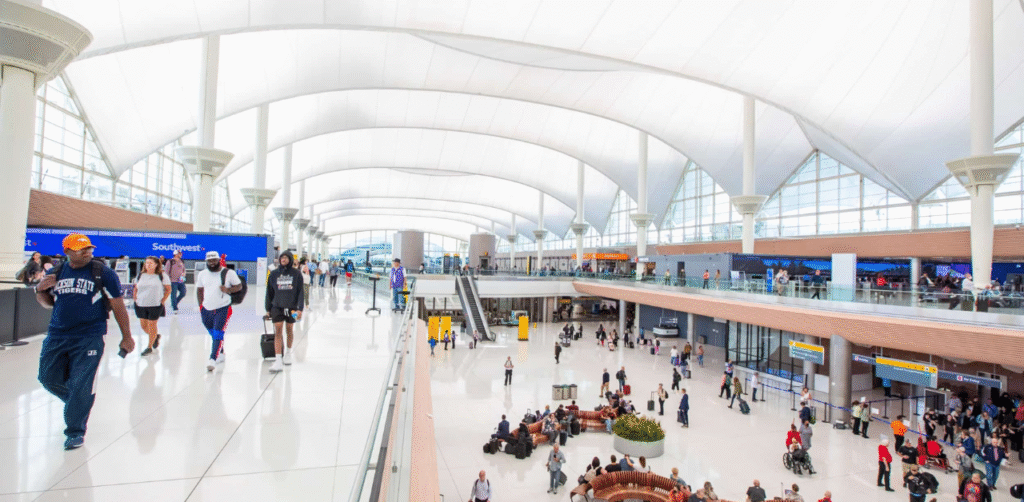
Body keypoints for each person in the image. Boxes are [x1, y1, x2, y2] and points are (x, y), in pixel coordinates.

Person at [34, 234, 134, 450]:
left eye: (89, 248)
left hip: (90, 336)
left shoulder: (103, 273)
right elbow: (46, 303)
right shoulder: (58, 271)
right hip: (57, 334)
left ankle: (75, 432)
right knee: (47, 377)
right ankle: (77, 402)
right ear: (67, 252)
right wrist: (40, 289)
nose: (87, 252)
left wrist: (127, 336)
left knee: (81, 383)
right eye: (81, 249)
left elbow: (118, 305)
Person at [196, 251, 242, 371]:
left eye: (214, 260)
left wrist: (228, 290)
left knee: (218, 332)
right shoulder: (202, 274)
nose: (212, 263)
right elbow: (199, 290)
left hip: (223, 307)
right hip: (206, 308)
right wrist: (200, 306)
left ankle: (212, 359)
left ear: (218, 260)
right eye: (209, 261)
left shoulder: (228, 273)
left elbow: (239, 286)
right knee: (212, 332)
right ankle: (220, 351)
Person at [265, 251, 304, 373]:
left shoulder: (296, 274)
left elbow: (300, 292)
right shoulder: (274, 274)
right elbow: (269, 292)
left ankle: (288, 353)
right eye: (282, 257)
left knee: (289, 330)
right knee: (278, 331)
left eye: (286, 257)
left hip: (291, 308)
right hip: (277, 307)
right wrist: (268, 309)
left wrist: (299, 309)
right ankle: (278, 360)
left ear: (290, 260)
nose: (284, 259)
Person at [132, 256, 170, 356]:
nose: (148, 265)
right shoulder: (141, 275)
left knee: (152, 325)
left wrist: (162, 301)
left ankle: (149, 347)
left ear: (156, 265)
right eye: (147, 263)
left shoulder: (161, 275)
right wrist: (135, 298)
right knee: (144, 326)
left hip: (155, 305)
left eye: (150, 263)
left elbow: (168, 289)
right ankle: (155, 336)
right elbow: (136, 288)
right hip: (141, 304)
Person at [167, 249, 187, 313]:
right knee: (173, 294)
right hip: (173, 281)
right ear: (175, 254)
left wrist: (184, 274)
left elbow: (184, 270)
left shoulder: (181, 261)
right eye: (179, 253)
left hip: (180, 280)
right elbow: (166, 271)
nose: (181, 255)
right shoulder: (170, 261)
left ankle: (174, 303)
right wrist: (168, 280)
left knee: (183, 292)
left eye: (181, 253)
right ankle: (175, 308)